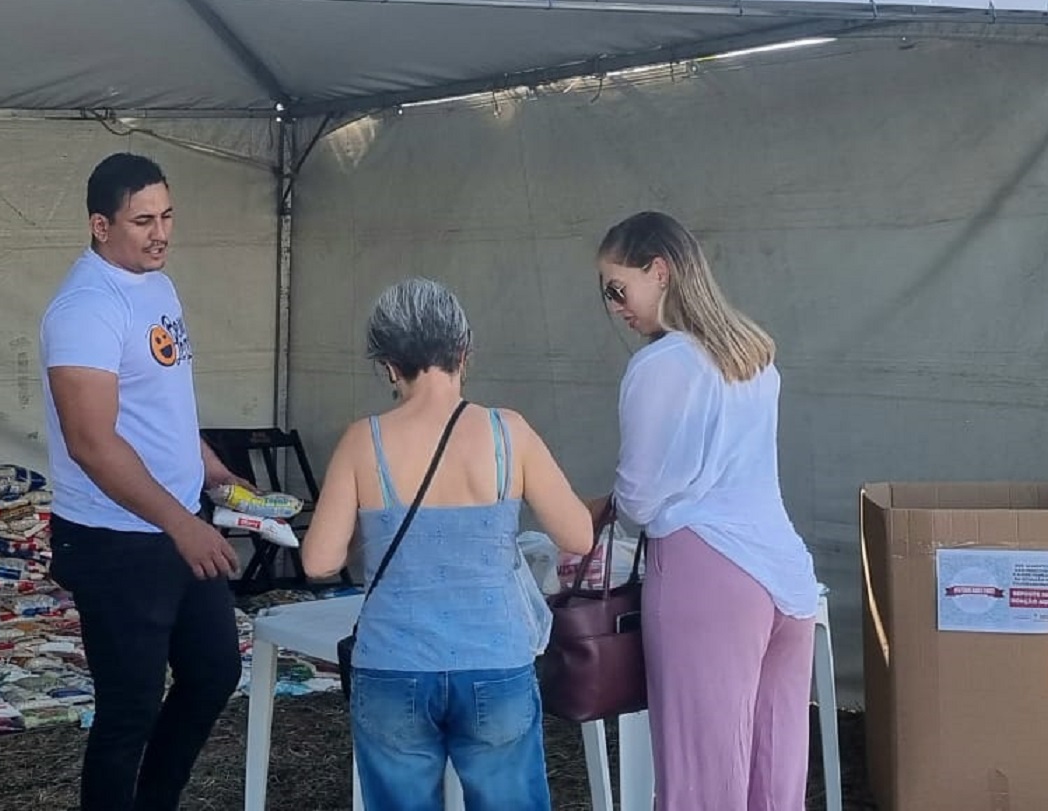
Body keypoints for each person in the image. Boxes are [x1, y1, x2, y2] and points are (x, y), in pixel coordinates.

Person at [301, 278, 594, 811]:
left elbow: (319, 560)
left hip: (392, 666)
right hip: (495, 661)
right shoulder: (509, 432)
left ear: (388, 366)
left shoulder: (363, 440)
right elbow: (577, 535)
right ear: (464, 352)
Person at [40, 152, 252, 811]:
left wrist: (212, 472)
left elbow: (162, 406)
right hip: (114, 538)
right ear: (100, 225)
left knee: (214, 671)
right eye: (142, 221)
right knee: (129, 706)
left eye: (167, 217)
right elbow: (91, 442)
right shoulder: (85, 308)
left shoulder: (157, 285)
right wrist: (181, 523)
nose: (160, 234)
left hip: (175, 519)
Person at [589, 211, 820, 811]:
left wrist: (604, 505)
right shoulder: (753, 355)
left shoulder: (659, 365)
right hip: (785, 575)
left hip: (706, 573)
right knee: (777, 778)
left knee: (702, 779)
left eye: (617, 289)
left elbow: (639, 497)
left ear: (659, 272)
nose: (615, 307)